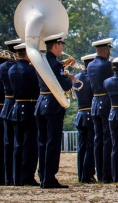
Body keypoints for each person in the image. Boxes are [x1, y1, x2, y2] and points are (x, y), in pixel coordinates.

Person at [35, 33, 74, 189]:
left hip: (41, 103)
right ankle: (50, 178)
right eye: (61, 45)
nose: (62, 48)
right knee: (52, 142)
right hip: (52, 105)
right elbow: (65, 86)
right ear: (56, 45)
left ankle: (43, 175)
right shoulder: (56, 64)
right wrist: (69, 79)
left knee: (42, 142)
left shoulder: (41, 62)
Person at [8, 43, 39, 186]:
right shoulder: (31, 70)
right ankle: (27, 177)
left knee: (17, 144)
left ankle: (16, 177)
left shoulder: (11, 69)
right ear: (27, 53)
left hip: (16, 107)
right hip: (29, 107)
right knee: (30, 145)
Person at [87, 37, 114, 183]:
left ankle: (100, 173)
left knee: (98, 140)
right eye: (109, 50)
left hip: (95, 102)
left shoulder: (90, 65)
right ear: (105, 50)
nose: (109, 53)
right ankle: (106, 174)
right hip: (106, 102)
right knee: (107, 139)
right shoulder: (108, 65)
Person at [0, 38, 20, 185]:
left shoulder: (2, 66)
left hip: (5, 106)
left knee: (7, 144)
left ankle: (6, 177)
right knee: (15, 144)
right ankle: (14, 177)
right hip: (15, 105)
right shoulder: (15, 67)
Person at [74, 53, 96, 183]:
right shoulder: (92, 78)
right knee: (90, 146)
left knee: (81, 147)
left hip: (80, 114)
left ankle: (81, 174)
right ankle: (87, 175)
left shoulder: (77, 77)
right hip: (90, 114)